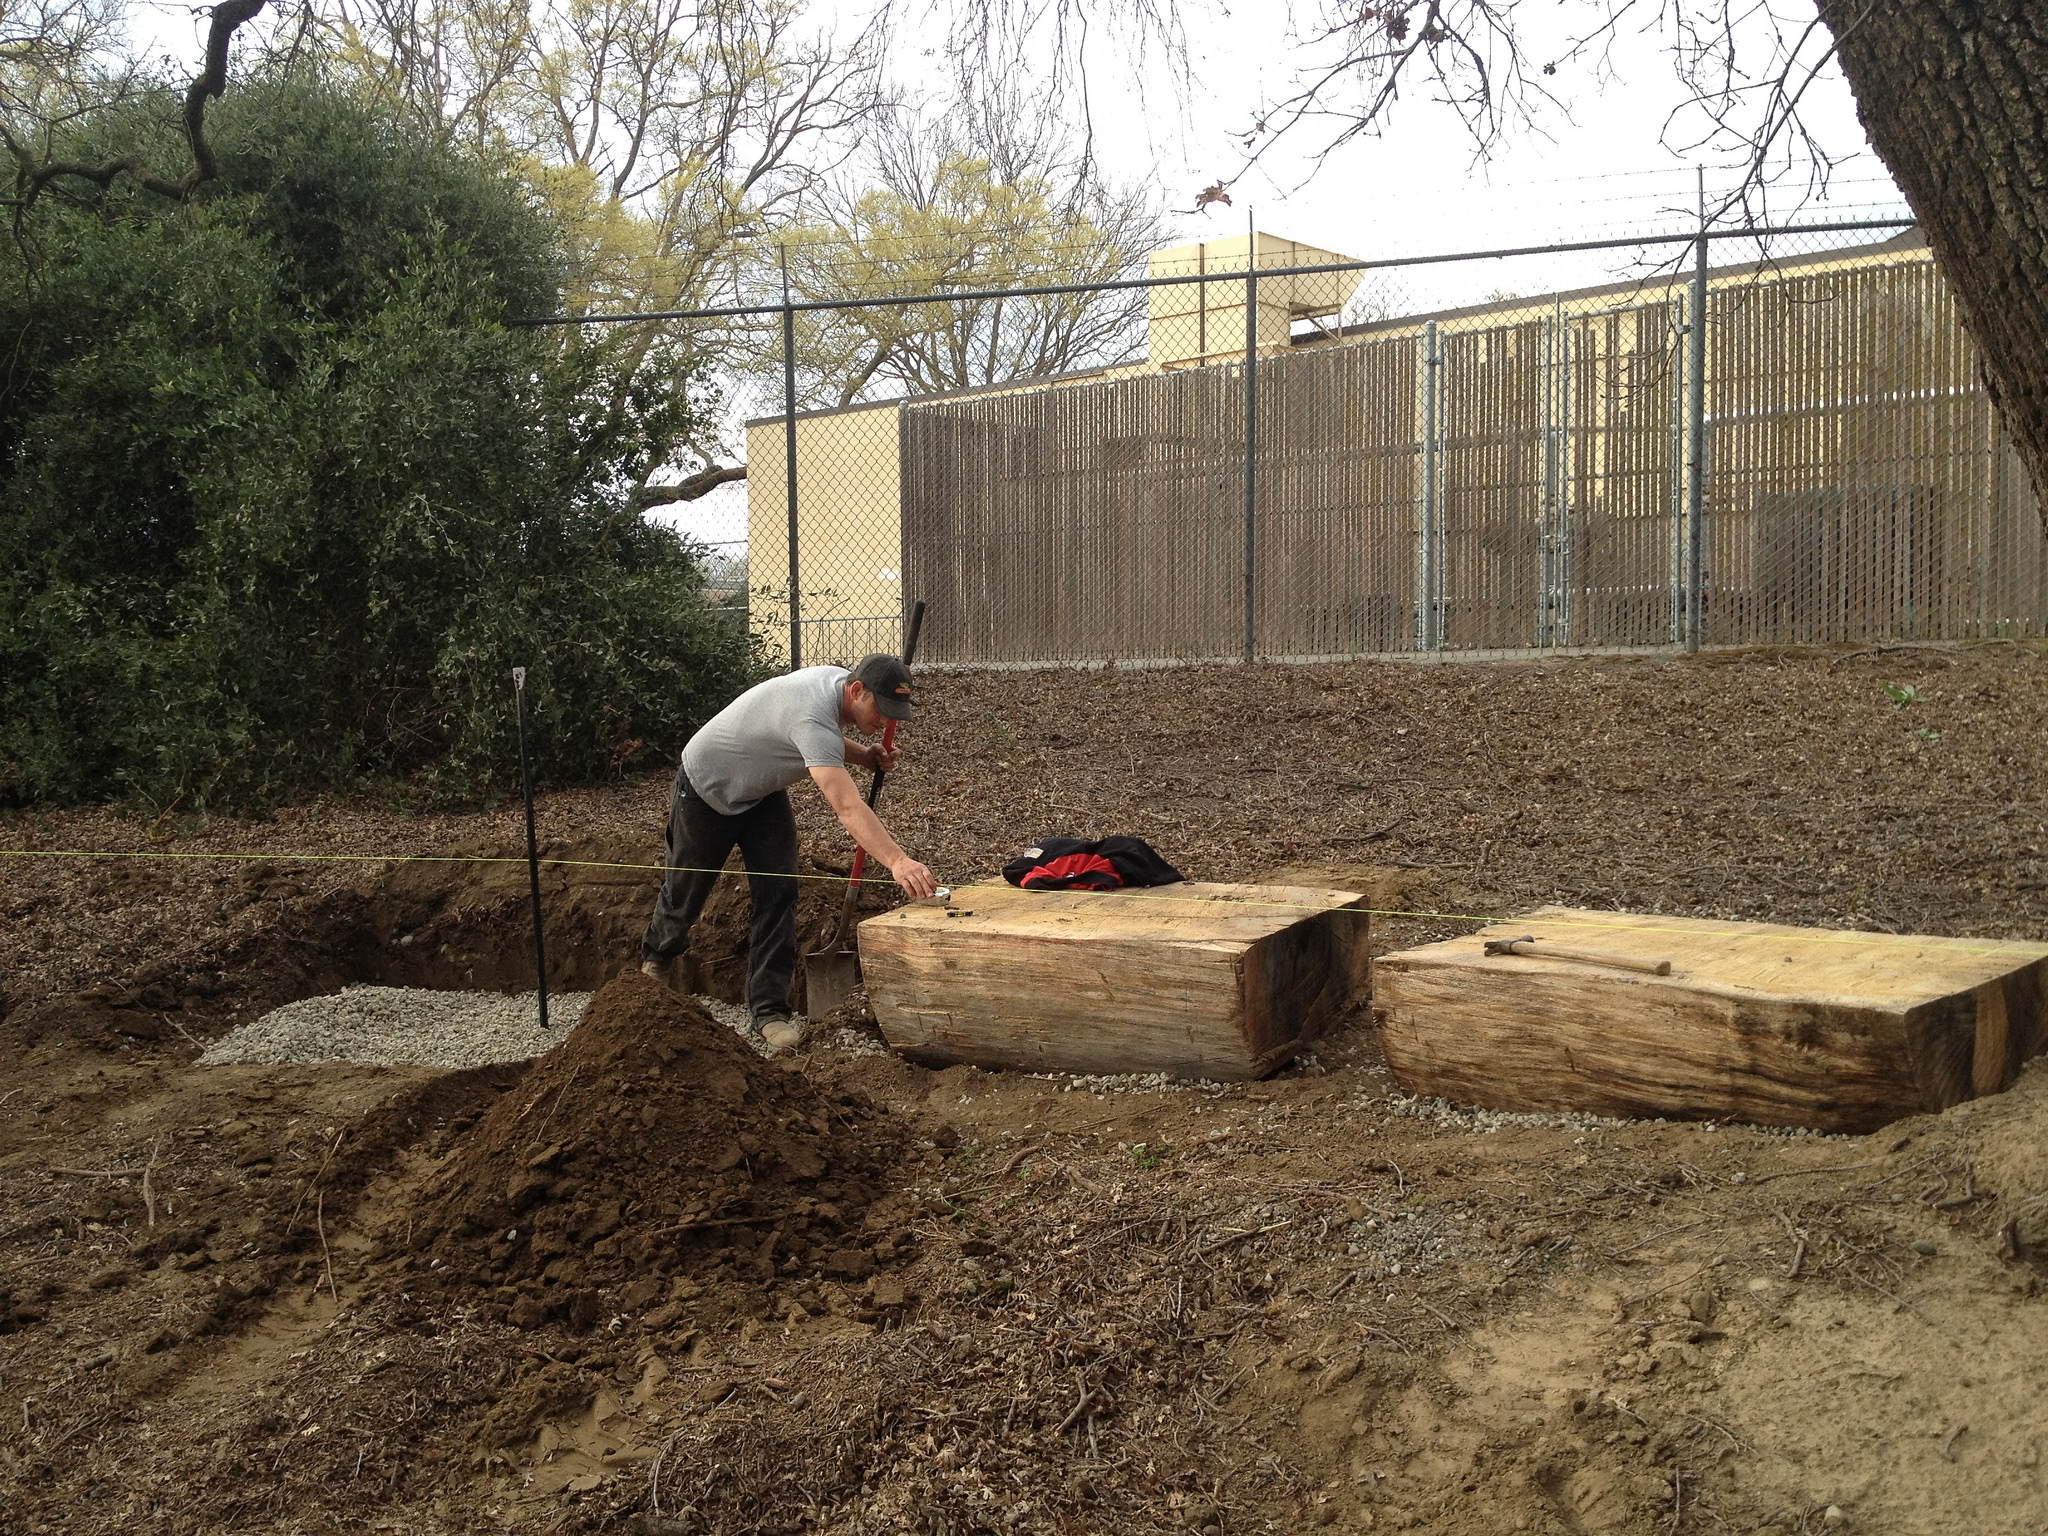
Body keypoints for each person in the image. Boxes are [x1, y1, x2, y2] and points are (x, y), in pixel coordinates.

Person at [639, 653, 938, 1051]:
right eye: (881, 709)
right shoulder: (812, 715)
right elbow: (847, 806)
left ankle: (768, 1012)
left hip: (759, 793)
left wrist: (865, 756)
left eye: (895, 711)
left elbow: (821, 742)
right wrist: (898, 861)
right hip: (706, 787)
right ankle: (655, 964)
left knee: (780, 892)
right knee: (686, 891)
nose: (886, 721)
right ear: (857, 690)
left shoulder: (835, 689)